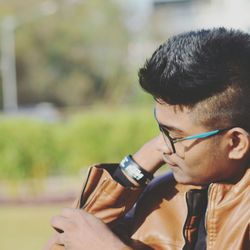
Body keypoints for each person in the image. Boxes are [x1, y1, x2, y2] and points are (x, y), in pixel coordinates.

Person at [45, 27, 250, 250]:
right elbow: (66, 240)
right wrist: (133, 171)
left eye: (176, 135)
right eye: (161, 129)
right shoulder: (164, 195)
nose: (162, 146)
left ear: (236, 143)